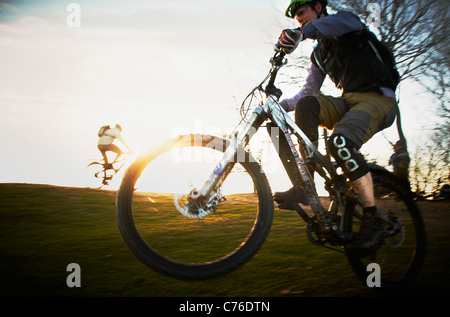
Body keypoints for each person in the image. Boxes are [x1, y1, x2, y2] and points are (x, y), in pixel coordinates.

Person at [274, 0, 400, 254]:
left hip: (377, 98)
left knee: (339, 143)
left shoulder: (346, 21)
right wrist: (279, 105)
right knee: (307, 105)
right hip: (348, 101)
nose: (299, 20)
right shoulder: (319, 54)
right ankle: (304, 185)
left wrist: (302, 33)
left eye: (302, 13)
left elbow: (327, 26)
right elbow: (306, 93)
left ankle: (373, 217)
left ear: (319, 7)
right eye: (296, 18)